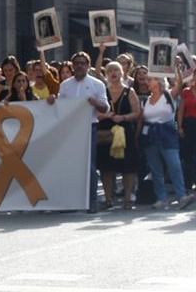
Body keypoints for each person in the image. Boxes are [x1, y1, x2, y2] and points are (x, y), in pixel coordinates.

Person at [49, 52, 109, 213]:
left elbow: (105, 107)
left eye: (83, 63)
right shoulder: (65, 85)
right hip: (70, 130)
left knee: (89, 166)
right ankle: (70, 201)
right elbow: (61, 107)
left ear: (88, 66)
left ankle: (92, 201)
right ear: (73, 65)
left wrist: (95, 102)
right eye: (77, 63)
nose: (80, 66)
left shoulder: (97, 84)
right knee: (70, 165)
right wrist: (52, 101)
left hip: (89, 127)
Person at [138, 77, 194, 210]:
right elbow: (142, 119)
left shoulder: (168, 95)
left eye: (150, 80)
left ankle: (181, 196)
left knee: (174, 165)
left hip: (167, 134)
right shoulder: (145, 100)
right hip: (150, 136)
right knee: (155, 168)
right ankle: (161, 198)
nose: (148, 82)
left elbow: (180, 84)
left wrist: (177, 67)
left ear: (158, 82)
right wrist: (138, 137)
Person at [96, 62, 141, 210]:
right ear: (106, 74)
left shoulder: (129, 91)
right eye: (110, 71)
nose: (113, 73)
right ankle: (108, 199)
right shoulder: (102, 91)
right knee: (106, 167)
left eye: (116, 70)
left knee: (128, 166)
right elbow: (95, 113)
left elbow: (137, 112)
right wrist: (105, 115)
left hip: (125, 131)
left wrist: (123, 118)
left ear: (122, 73)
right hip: (106, 132)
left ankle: (128, 198)